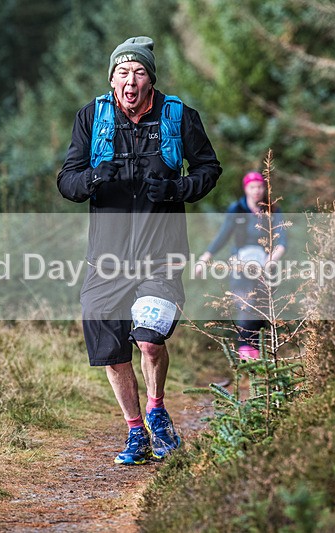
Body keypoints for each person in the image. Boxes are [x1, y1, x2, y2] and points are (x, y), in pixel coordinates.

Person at [57, 36, 222, 465]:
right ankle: (136, 434)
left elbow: (209, 168)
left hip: (160, 252)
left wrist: (178, 188)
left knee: (148, 340)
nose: (131, 80)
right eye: (123, 73)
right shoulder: (92, 117)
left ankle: (157, 409)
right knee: (111, 351)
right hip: (106, 258)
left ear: (150, 79)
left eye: (140, 72)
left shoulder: (178, 117)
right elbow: (67, 182)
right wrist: (94, 177)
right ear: (112, 78)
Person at [194, 171, 286, 360]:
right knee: (245, 305)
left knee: (262, 309)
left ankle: (261, 354)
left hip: (265, 267)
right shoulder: (236, 209)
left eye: (260, 186)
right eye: (253, 187)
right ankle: (245, 351)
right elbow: (223, 236)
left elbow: (282, 242)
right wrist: (205, 257)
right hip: (240, 266)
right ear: (246, 189)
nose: (257, 191)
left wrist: (270, 261)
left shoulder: (274, 210)